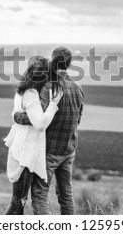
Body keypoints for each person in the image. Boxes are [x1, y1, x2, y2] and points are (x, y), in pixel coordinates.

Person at [13, 47, 84, 215]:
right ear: (70, 64)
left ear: (52, 61)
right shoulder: (78, 87)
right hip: (69, 149)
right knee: (66, 194)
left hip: (49, 150)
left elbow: (38, 119)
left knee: (39, 195)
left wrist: (18, 117)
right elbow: (78, 119)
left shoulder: (48, 88)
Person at [4, 55, 63, 215]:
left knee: (18, 201)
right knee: (18, 202)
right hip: (25, 153)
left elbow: (16, 114)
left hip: (20, 148)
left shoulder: (21, 90)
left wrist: (22, 118)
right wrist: (53, 104)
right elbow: (40, 124)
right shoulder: (31, 94)